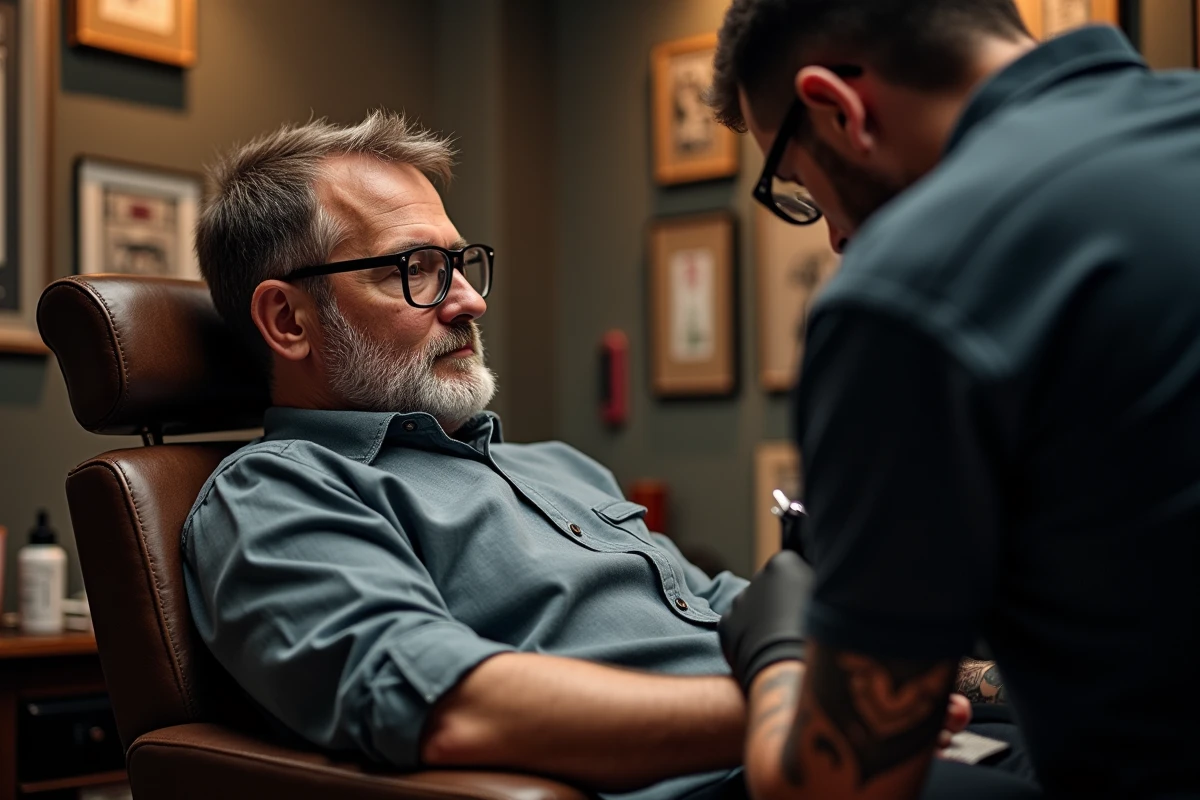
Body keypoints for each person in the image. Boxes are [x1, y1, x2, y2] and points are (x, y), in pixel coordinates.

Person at [184, 112, 1005, 800]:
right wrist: (813, 710)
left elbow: (730, 613)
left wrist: (962, 682)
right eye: (417, 271)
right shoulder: (277, 494)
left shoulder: (557, 468)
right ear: (288, 321)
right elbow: (443, 703)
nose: (468, 300)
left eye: (460, 265)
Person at [707, 1, 1200, 798]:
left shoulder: (908, 287)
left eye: (795, 183)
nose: (832, 236)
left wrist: (781, 646)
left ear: (837, 106)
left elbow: (833, 787)